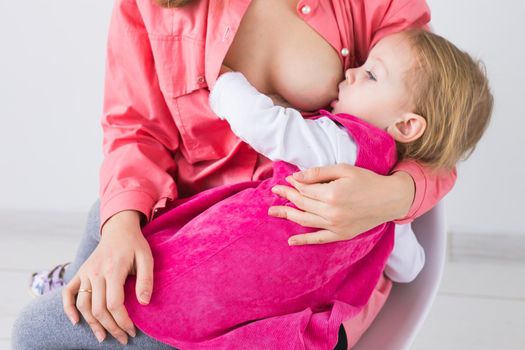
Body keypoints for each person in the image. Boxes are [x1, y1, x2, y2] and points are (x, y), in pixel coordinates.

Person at [11, 0, 457, 349]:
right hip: (198, 230)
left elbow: (435, 132)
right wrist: (120, 228)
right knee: (104, 217)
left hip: (295, 274)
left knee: (37, 332)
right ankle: (78, 278)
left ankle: (77, 289)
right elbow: (135, 131)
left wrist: (393, 196)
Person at [115, 29, 492, 349]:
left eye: (372, 75)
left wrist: (223, 80)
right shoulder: (386, 197)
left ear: (407, 126)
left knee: (120, 294)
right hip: (273, 302)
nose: (352, 72)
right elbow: (410, 267)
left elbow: (267, 125)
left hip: (217, 277)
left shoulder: (340, 143)